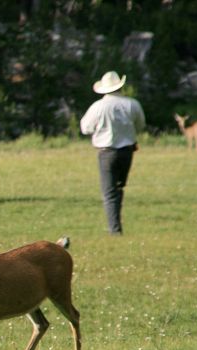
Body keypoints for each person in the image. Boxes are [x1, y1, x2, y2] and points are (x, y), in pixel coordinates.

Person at [80, 71, 145, 235]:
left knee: (109, 192)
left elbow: (85, 127)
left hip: (107, 152)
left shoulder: (98, 107)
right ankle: (116, 224)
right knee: (119, 188)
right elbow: (140, 125)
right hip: (127, 151)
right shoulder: (132, 104)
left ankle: (114, 230)